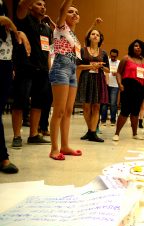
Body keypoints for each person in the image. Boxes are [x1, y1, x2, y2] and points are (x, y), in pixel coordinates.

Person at [11, 0, 52, 148]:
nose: (43, 7)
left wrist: (49, 71)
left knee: (38, 104)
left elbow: (47, 52)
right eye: (39, 4)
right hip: (25, 67)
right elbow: (21, 6)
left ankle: (34, 135)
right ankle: (17, 136)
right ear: (30, 6)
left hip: (42, 71)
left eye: (44, 5)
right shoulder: (24, 20)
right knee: (20, 102)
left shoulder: (47, 29)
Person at [48, 0, 82, 160]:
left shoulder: (73, 35)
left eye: (76, 12)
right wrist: (67, 5)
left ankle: (65, 145)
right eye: (71, 11)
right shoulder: (60, 26)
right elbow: (62, 9)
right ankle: (54, 149)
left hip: (72, 70)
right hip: (60, 67)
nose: (74, 13)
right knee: (59, 111)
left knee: (68, 111)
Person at [0, 1, 30, 172]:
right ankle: (3, 157)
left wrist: (17, 32)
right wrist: (10, 23)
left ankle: (2, 157)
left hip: (4, 62)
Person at [77, 19, 109, 142]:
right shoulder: (83, 50)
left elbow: (107, 70)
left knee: (96, 107)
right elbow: (78, 66)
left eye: (97, 35)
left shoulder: (104, 52)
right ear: (89, 37)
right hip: (86, 78)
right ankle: (91, 130)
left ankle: (92, 132)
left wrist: (100, 66)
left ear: (100, 39)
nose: (95, 36)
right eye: (93, 34)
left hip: (98, 79)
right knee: (86, 107)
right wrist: (91, 66)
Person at [112, 39, 144, 141]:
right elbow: (119, 72)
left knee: (135, 112)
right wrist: (120, 84)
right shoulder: (126, 58)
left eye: (140, 46)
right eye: (136, 46)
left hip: (140, 88)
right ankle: (117, 133)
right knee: (125, 111)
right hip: (127, 87)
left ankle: (135, 134)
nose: (138, 48)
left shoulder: (143, 61)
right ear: (132, 47)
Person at [100, 48, 120, 126]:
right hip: (105, 84)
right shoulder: (106, 61)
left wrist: (117, 74)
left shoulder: (119, 63)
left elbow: (122, 73)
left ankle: (113, 120)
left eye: (114, 56)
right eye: (111, 56)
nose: (113, 58)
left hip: (115, 85)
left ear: (117, 56)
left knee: (113, 103)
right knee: (104, 103)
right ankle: (103, 120)